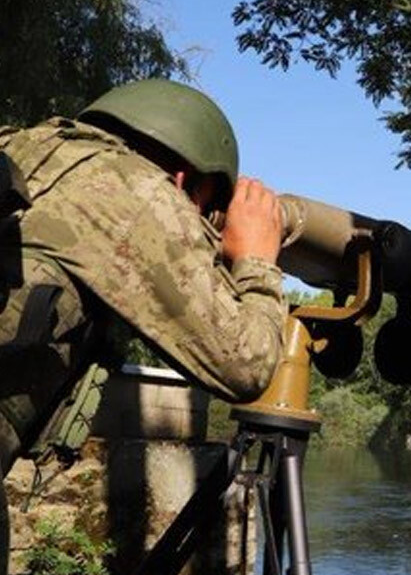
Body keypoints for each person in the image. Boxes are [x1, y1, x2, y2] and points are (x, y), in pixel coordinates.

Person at [0, 79, 287, 573]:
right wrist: (259, 261)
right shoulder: (141, 192)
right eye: (205, 209)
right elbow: (246, 364)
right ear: (182, 180)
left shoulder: (19, 145)